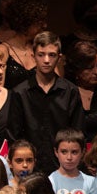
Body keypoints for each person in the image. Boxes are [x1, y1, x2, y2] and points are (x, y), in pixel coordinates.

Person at [9, 32, 83, 174]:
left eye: (52, 55)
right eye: (41, 54)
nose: (46, 60)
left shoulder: (70, 91)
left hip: (63, 168)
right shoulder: (20, 92)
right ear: (33, 56)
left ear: (59, 58)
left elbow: (77, 133)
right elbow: (14, 136)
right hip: (29, 168)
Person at [0, 0, 48, 90]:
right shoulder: (3, 50)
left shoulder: (41, 49)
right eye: (39, 22)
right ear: (26, 22)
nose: (44, 25)